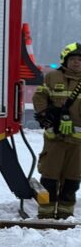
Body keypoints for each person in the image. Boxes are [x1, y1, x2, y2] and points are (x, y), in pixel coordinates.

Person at [32, 41, 81, 219]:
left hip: (78, 143)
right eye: (73, 59)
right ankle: (45, 214)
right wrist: (45, 115)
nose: (77, 62)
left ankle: (65, 215)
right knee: (49, 178)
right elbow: (39, 97)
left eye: (80, 60)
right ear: (65, 60)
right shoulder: (52, 77)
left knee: (72, 180)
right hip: (54, 139)